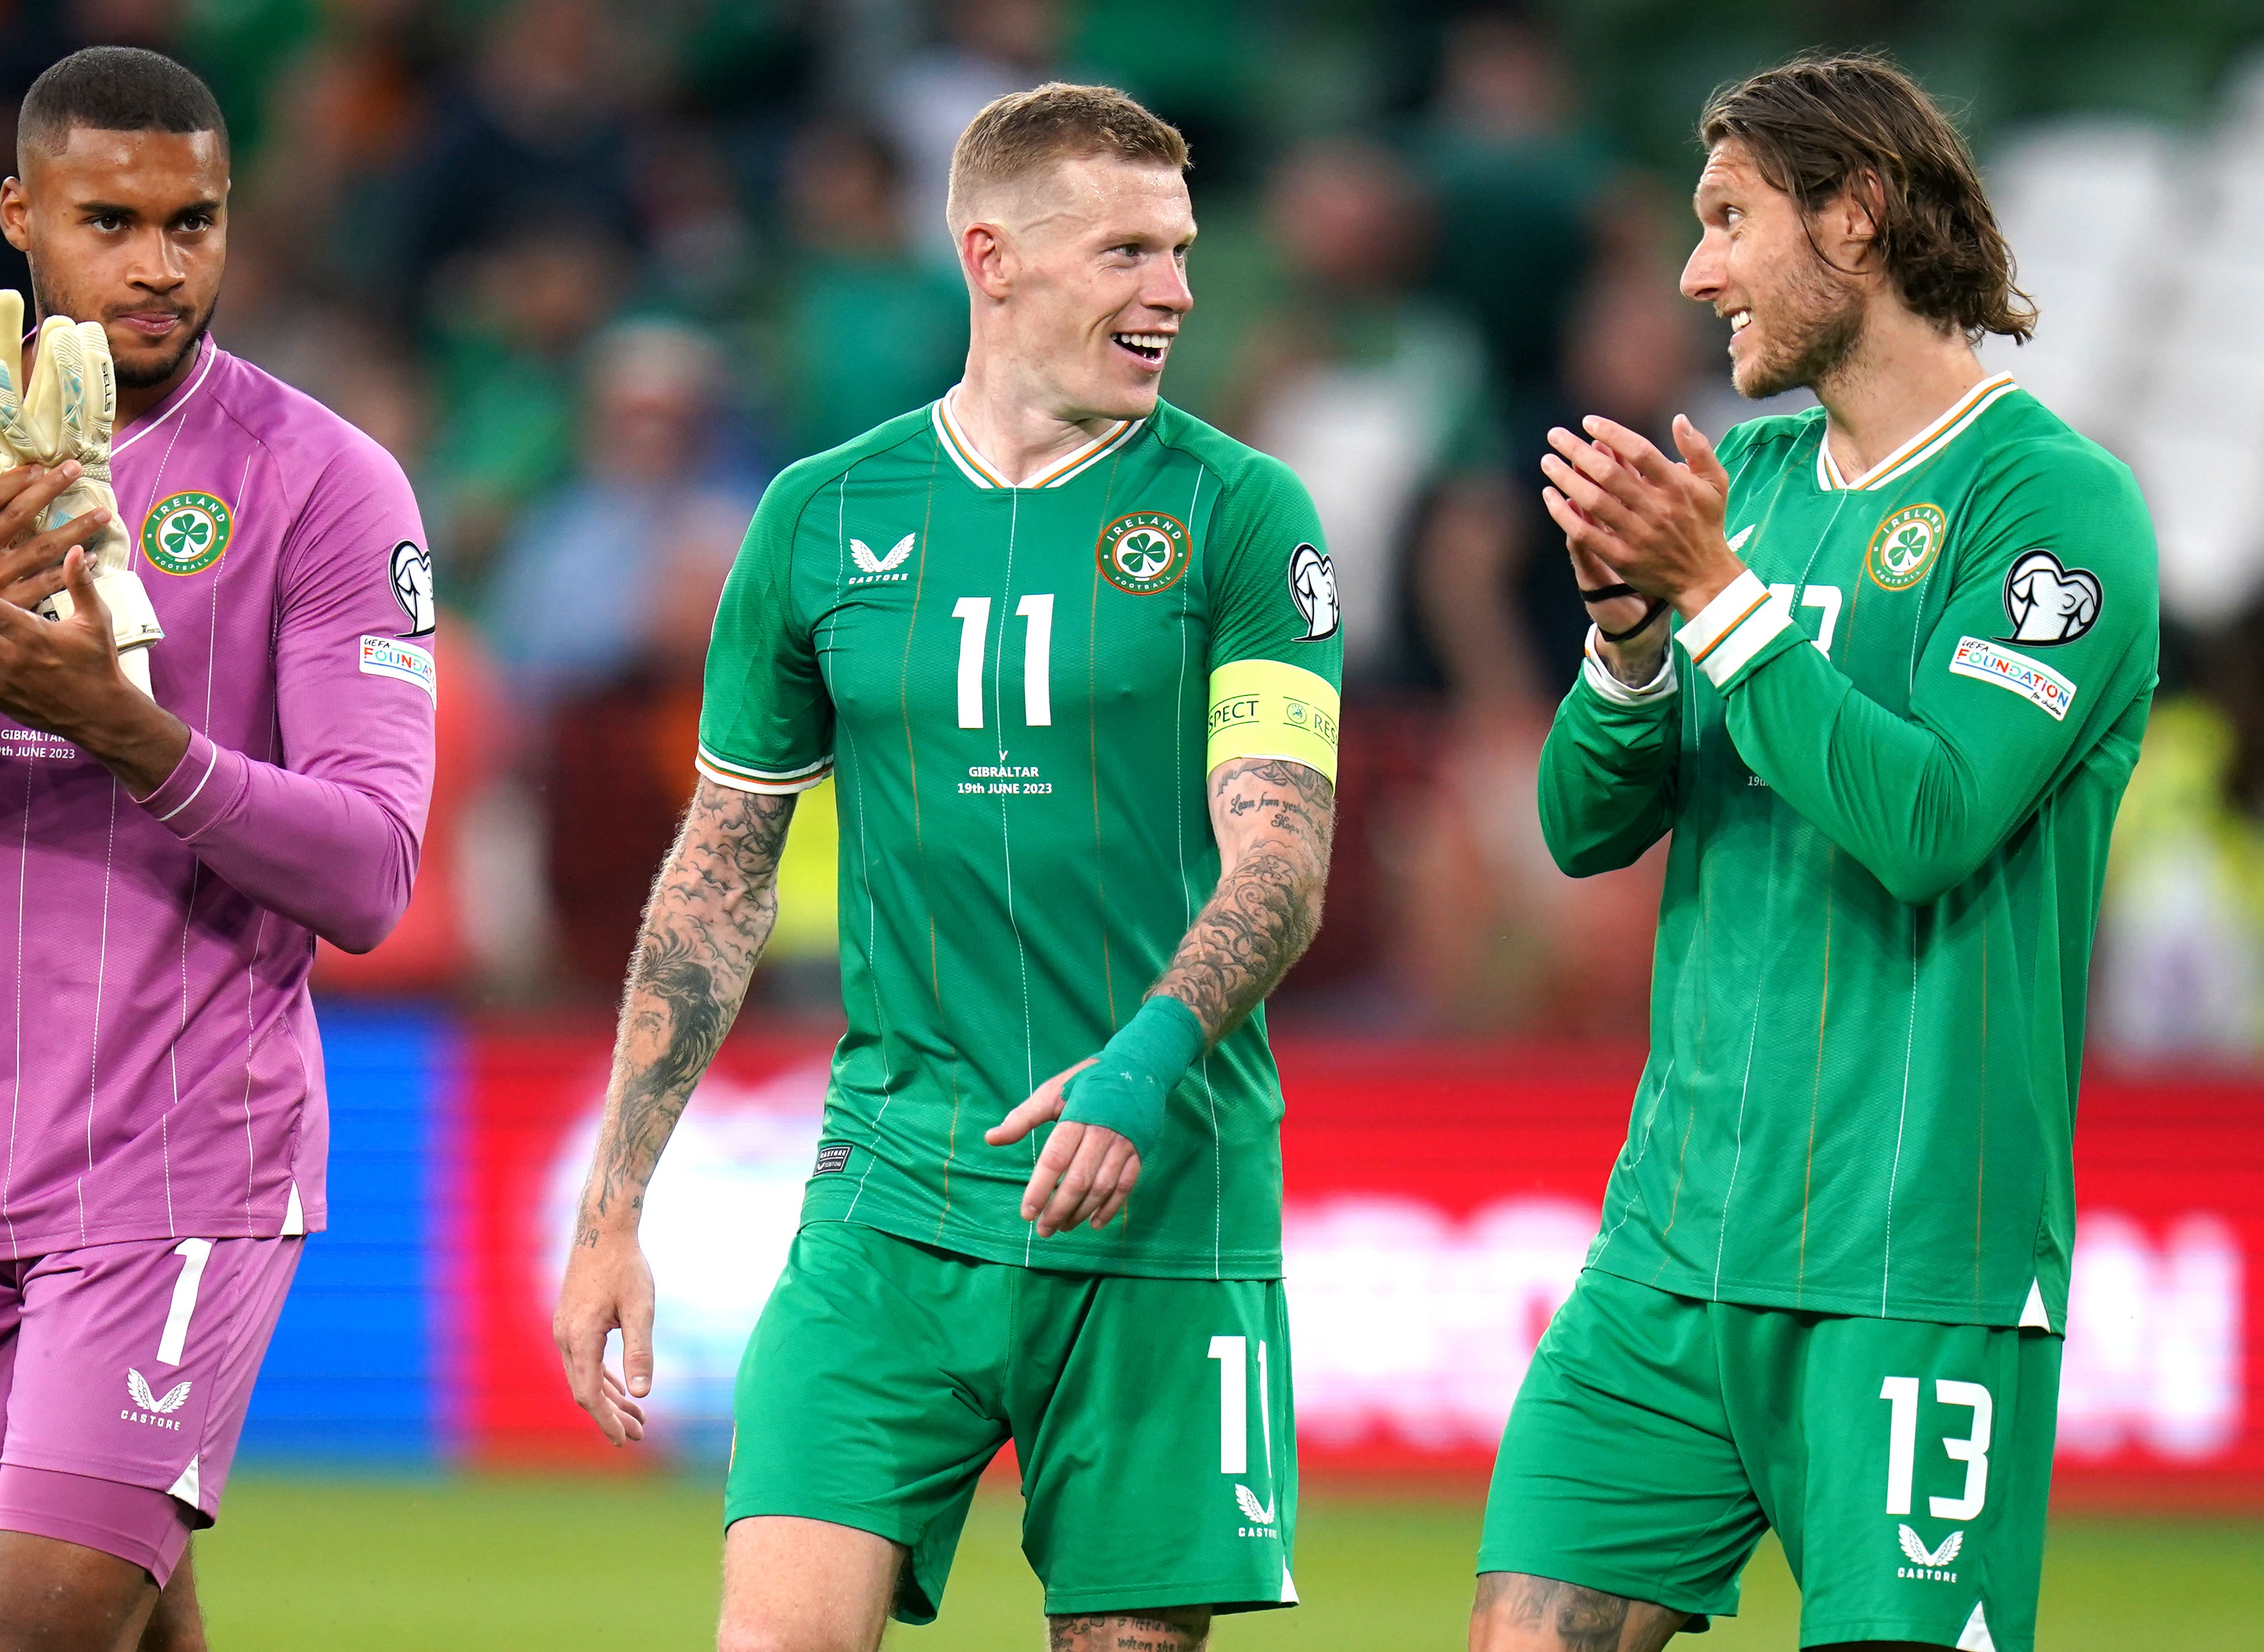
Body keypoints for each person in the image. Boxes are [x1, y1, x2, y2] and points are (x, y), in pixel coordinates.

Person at [552, 82, 1341, 1652]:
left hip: (1161, 1210)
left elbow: (1285, 856)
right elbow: (718, 878)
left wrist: (1142, 1065)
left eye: (1181, 253)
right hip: (890, 1199)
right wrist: (609, 1211)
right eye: (1129, 253)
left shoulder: (1246, 516)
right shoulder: (822, 518)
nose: (1177, 292)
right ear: (994, 257)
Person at [1470, 54, 2157, 1652]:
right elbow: (1588, 826)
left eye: (1729, 218)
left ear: (1856, 217)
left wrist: (1710, 595)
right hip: (1672, 1249)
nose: (1696, 270)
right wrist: (1631, 636)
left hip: (1913, 1266)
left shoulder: (2051, 510)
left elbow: (1926, 826)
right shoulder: (1751, 493)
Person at [0, 47, 433, 1652]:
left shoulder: (327, 485)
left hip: (182, 1159)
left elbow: (368, 873)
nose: (157, 263)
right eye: (109, 219)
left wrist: (122, 724)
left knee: (34, 1635)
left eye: (192, 222)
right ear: (19, 214)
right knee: (133, 1631)